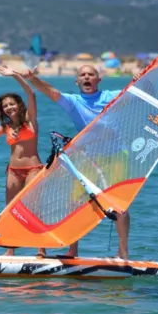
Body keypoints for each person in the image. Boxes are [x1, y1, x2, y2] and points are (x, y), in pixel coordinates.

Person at [20, 65, 134, 259]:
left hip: (115, 156)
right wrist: (33, 79)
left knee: (119, 206)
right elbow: (53, 93)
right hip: (88, 158)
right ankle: (73, 250)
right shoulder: (74, 102)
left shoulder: (111, 96)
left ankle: (123, 251)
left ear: (99, 79)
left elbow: (137, 92)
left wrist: (140, 79)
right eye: (82, 75)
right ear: (77, 81)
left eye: (91, 74)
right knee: (74, 204)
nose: (86, 77)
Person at [0, 65, 43, 256]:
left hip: (34, 168)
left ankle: (41, 248)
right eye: (5, 106)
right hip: (14, 169)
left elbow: (31, 93)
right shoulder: (6, 126)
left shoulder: (30, 119)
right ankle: (11, 249)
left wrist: (14, 75)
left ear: (19, 104)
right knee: (11, 209)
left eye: (11, 104)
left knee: (33, 206)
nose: (9, 107)